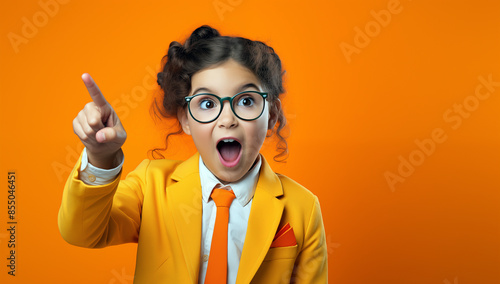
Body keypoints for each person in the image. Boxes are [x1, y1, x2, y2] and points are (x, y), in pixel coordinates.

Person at [58, 25, 327, 284]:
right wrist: (100, 156)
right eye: (207, 104)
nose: (227, 119)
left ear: (272, 114)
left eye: (246, 101)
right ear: (185, 119)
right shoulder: (150, 186)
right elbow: (82, 232)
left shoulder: (302, 207)